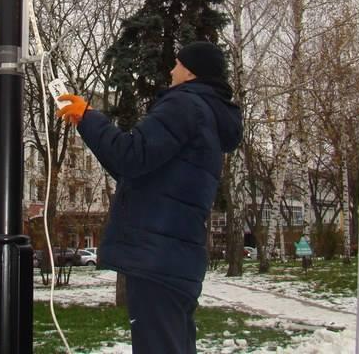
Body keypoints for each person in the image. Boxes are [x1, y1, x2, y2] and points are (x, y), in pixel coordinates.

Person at [58, 41, 242, 354]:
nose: (171, 70)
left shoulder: (184, 105)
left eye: (177, 64)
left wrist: (87, 116)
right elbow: (142, 171)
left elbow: (129, 156)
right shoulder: (207, 118)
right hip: (177, 259)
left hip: (157, 258)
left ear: (191, 72)